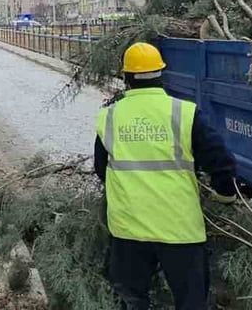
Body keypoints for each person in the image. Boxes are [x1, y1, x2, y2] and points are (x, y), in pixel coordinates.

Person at [94, 42, 237, 310]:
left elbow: (101, 169)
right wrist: (225, 194)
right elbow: (220, 161)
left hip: (128, 229)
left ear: (126, 78)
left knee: (132, 301)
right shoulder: (184, 113)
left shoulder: (109, 117)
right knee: (191, 302)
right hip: (180, 230)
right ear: (161, 74)